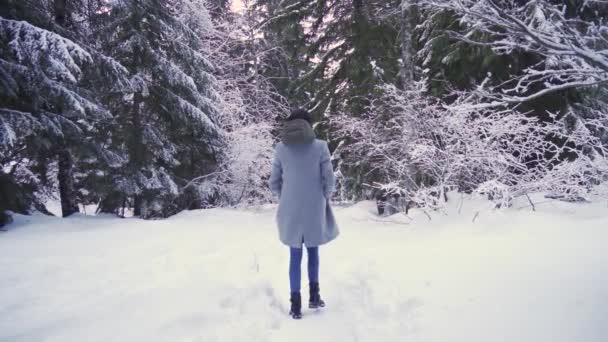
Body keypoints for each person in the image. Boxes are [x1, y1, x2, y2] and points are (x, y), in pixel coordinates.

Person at [269, 108, 339, 320]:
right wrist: (323, 197)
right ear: (309, 125)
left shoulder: (281, 148)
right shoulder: (320, 147)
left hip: (290, 208)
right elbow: (329, 180)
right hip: (314, 207)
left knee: (294, 255)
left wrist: (286, 196)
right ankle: (314, 297)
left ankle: (295, 305)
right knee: (313, 251)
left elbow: (274, 182)